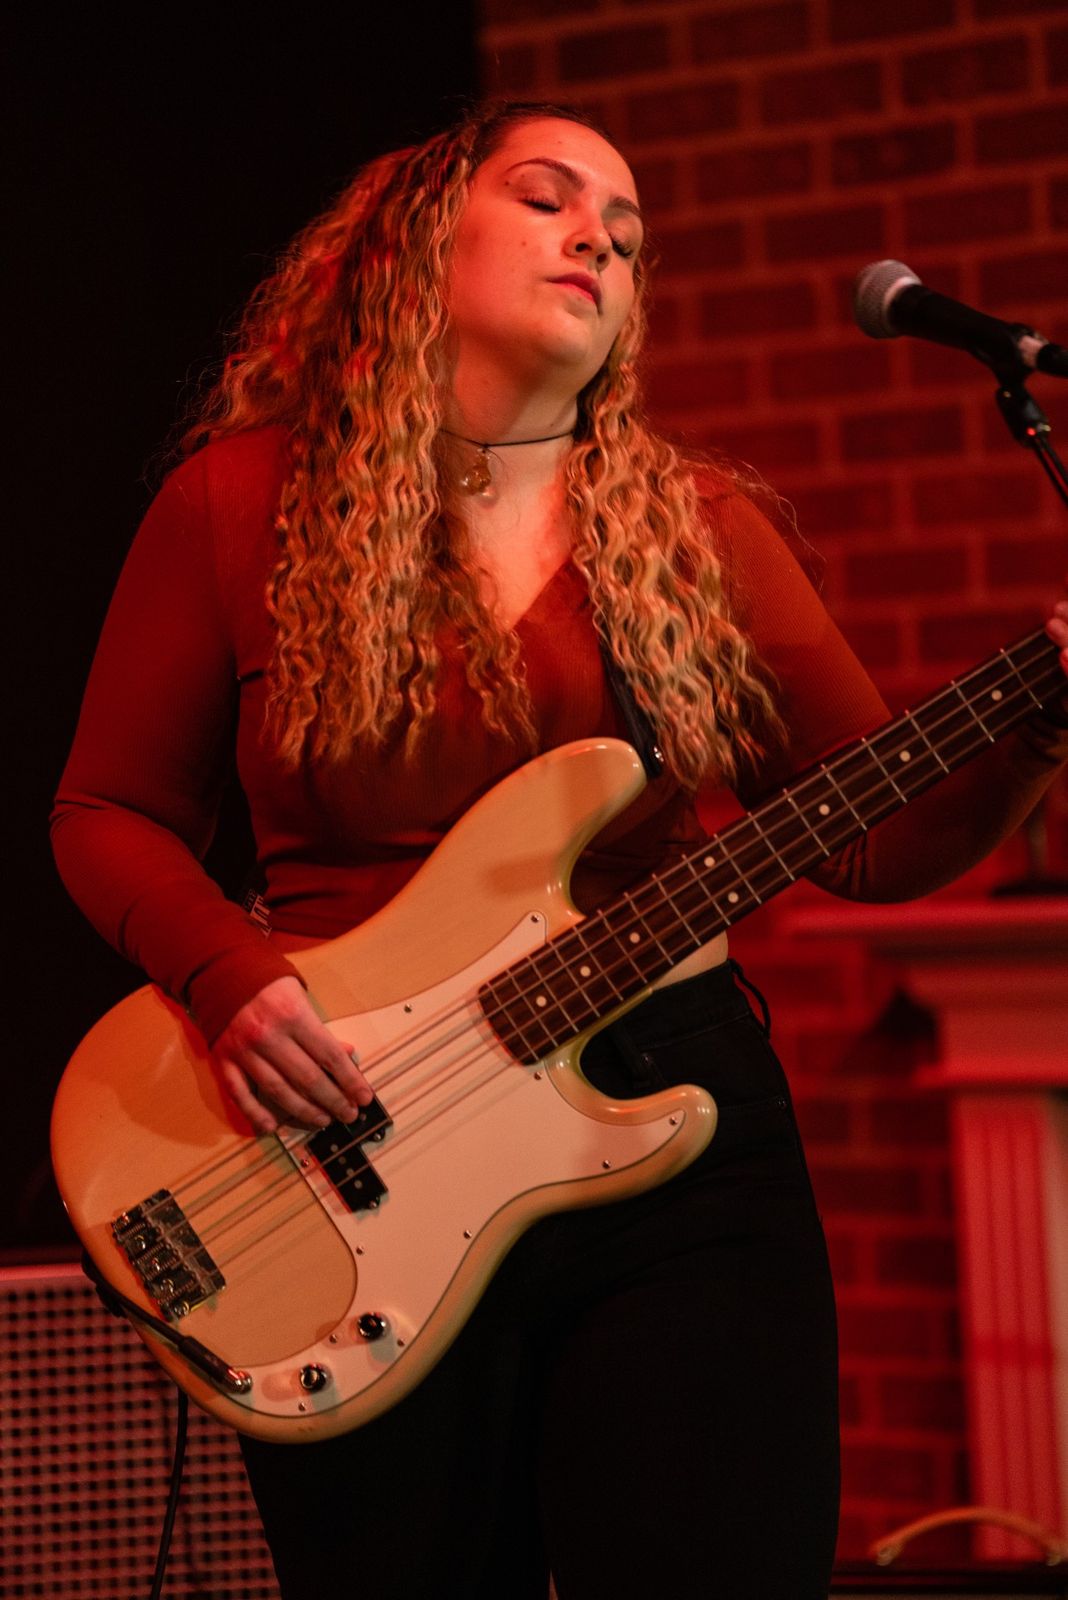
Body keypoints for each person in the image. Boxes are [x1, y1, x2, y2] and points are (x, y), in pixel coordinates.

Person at [52, 101, 1068, 1600]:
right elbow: (107, 812)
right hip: (337, 1133)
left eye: (630, 233)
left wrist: (1040, 721)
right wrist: (228, 979)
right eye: (549, 198)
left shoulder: (696, 529)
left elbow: (874, 839)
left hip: (671, 1138)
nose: (600, 238)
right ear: (416, 242)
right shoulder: (237, 504)